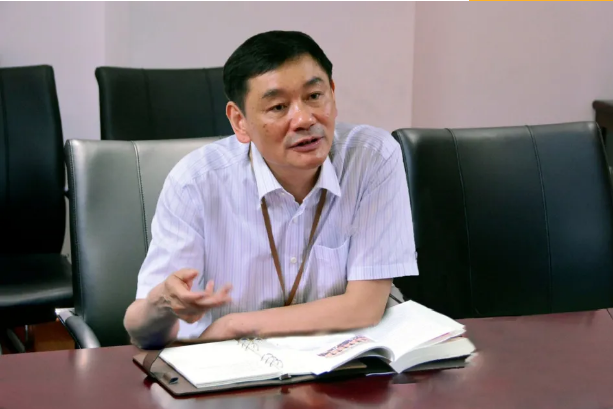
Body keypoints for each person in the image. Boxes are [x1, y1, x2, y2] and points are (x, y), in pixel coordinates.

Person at [123, 30, 418, 349]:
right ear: (240, 122)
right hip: (232, 366)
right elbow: (142, 333)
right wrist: (161, 304)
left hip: (348, 360)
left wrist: (234, 325)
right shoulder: (195, 182)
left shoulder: (373, 157)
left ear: (332, 94)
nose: (304, 119)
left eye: (314, 96)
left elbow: (364, 306)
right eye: (278, 107)